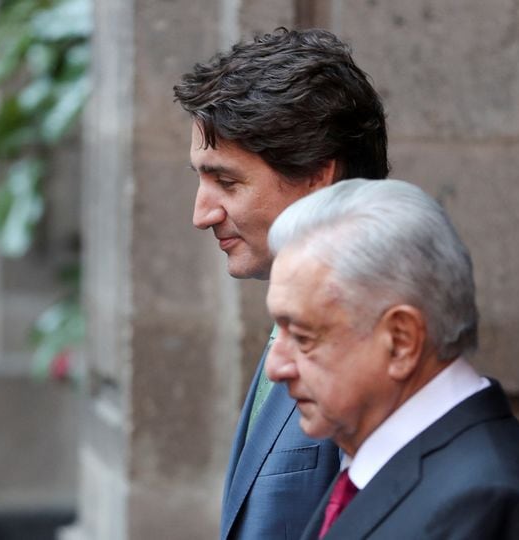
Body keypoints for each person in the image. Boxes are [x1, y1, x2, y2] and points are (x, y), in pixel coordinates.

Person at [265, 179, 519, 539]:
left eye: (303, 337)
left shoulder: (485, 501)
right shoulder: (383, 459)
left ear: (401, 341)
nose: (276, 367)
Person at [173, 28, 389, 540]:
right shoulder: (305, 319)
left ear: (317, 175)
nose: (201, 214)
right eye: (200, 180)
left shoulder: (374, 351)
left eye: (226, 182)